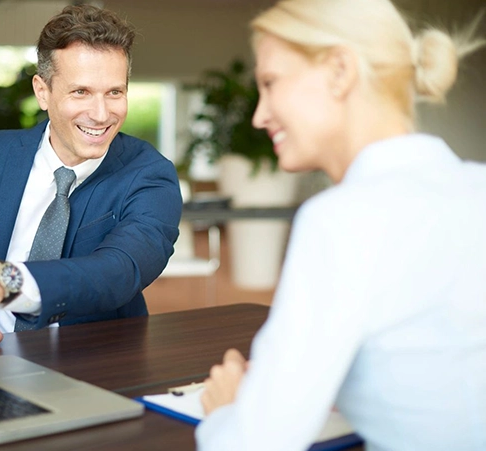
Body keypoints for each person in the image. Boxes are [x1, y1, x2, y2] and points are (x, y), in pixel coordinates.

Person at [196, 1, 486, 450]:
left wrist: (231, 408)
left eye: (271, 84)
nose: (260, 115)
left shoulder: (341, 220)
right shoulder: (476, 188)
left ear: (339, 70)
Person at [0, 4, 182, 349]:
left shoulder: (151, 176)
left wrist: (3, 280)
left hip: (96, 372)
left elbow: (118, 272)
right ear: (43, 92)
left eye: (114, 92)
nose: (100, 114)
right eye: (80, 92)